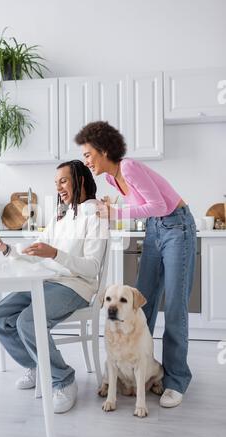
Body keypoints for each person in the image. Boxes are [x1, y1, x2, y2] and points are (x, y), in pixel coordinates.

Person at [75, 121, 197, 408]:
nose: (87, 160)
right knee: (143, 300)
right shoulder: (111, 179)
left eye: (89, 154)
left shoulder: (128, 167)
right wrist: (108, 210)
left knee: (176, 304)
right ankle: (140, 370)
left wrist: (114, 211)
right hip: (154, 229)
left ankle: (176, 380)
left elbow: (159, 206)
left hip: (177, 226)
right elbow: (145, 209)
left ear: (104, 151)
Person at [0, 160, 108, 414]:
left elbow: (92, 268)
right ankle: (35, 364)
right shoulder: (61, 215)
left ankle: (63, 380)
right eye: (56, 183)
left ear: (80, 180)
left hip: (76, 286)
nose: (58, 187)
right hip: (48, 281)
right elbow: (37, 251)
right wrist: (6, 249)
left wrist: (55, 254)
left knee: (27, 322)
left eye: (63, 181)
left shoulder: (96, 214)